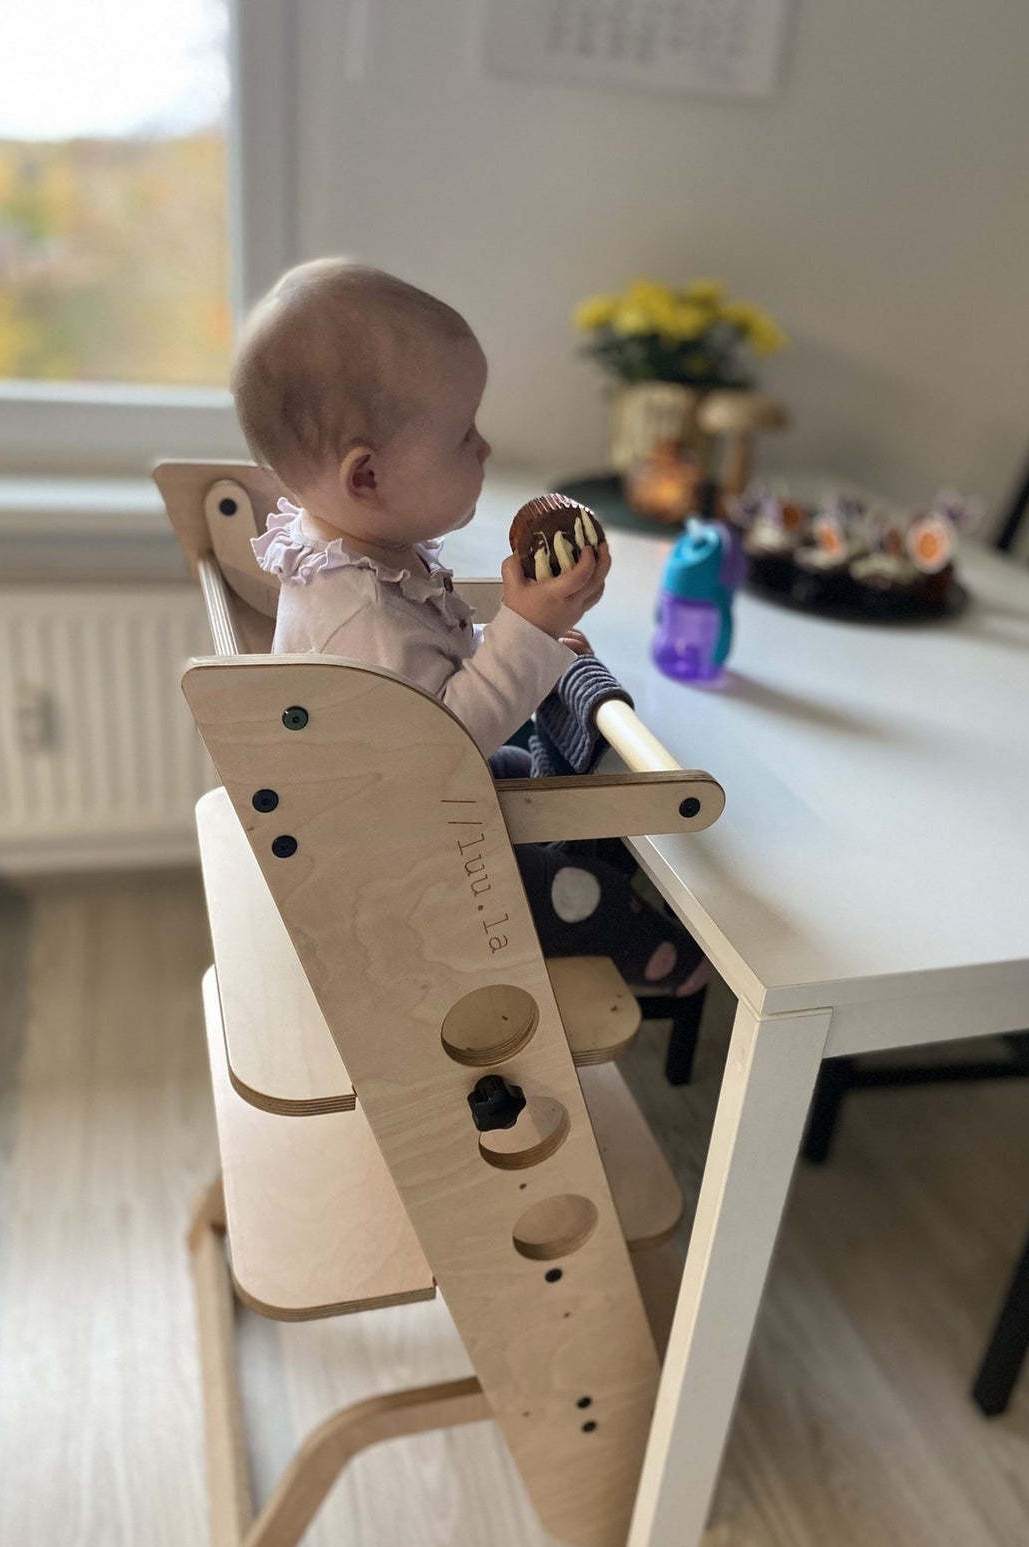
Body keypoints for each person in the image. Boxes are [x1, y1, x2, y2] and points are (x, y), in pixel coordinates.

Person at [232, 258, 709, 995]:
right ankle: (661, 957)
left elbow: (425, 678)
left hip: (401, 804)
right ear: (367, 477)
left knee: (526, 772)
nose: (484, 448)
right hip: (396, 868)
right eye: (463, 435)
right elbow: (446, 740)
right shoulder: (358, 616)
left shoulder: (355, 551)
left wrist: (522, 641)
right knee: (579, 892)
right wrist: (527, 632)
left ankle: (588, 861)